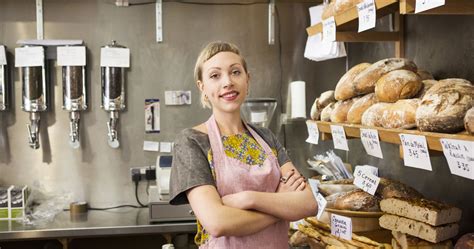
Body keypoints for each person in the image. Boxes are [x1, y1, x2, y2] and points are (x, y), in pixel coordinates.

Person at [169, 41, 317, 248]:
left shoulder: (266, 137)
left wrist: (249, 199)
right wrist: (280, 206)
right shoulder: (191, 141)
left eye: (236, 72)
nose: (228, 82)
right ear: (202, 86)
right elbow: (217, 222)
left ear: (248, 80)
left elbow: (308, 203)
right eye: (215, 76)